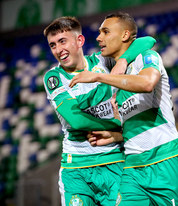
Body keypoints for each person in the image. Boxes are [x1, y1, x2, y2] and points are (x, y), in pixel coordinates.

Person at [69, 12, 178, 206]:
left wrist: (98, 77)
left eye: (105, 31)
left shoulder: (147, 56)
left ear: (125, 35)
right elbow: (135, 118)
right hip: (133, 168)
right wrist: (117, 136)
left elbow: (146, 83)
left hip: (164, 160)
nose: (98, 37)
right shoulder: (117, 75)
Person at [43, 16, 156, 206]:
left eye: (63, 41)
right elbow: (77, 121)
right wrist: (118, 127)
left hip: (114, 161)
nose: (58, 50)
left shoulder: (103, 62)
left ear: (80, 41)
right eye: (53, 45)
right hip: (76, 168)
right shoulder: (54, 77)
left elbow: (148, 41)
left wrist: (123, 60)